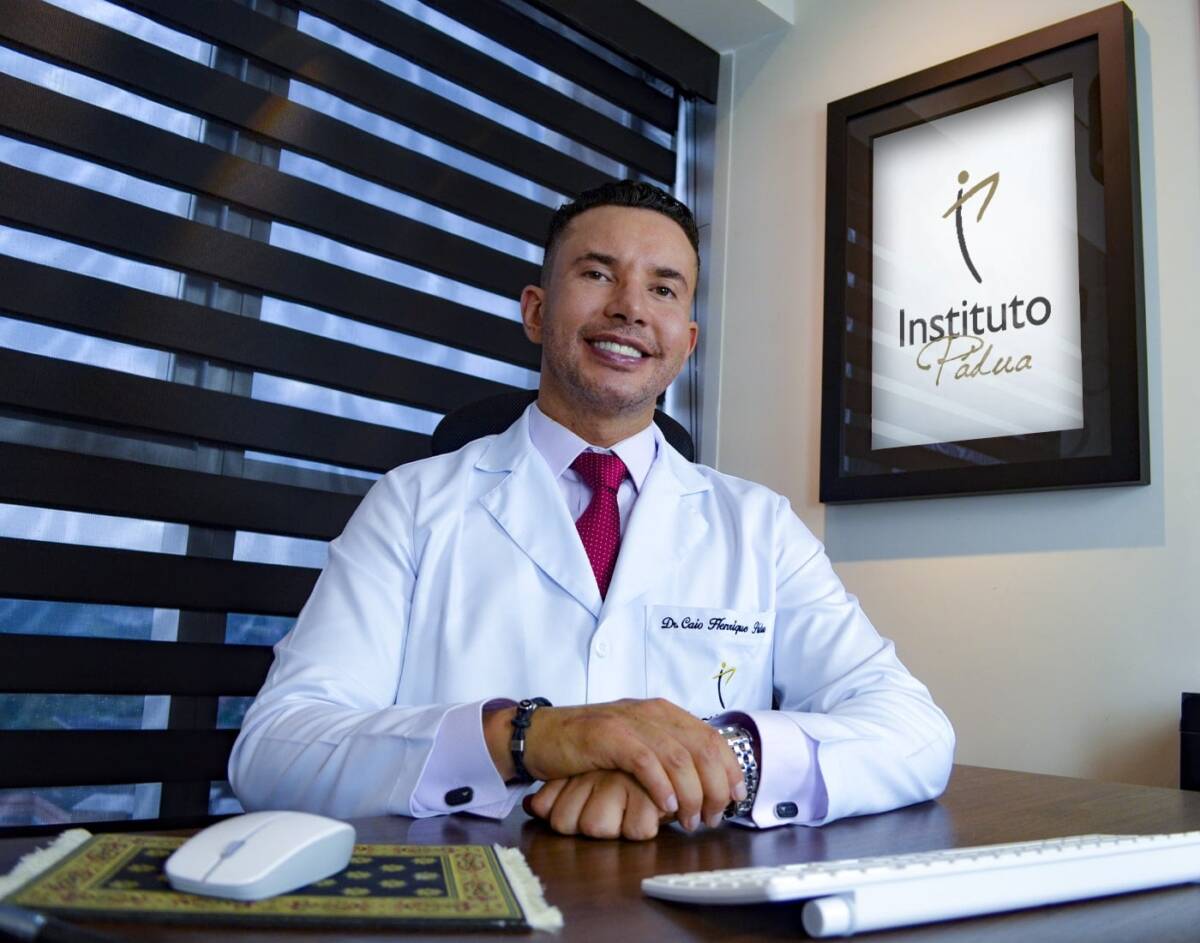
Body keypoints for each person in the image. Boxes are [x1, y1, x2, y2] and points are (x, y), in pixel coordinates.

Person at [230, 180, 954, 841]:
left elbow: (915, 731)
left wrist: (711, 758)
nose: (630, 307)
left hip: (695, 905)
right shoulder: (411, 504)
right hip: (475, 897)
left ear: (686, 344)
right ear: (536, 311)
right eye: (598, 274)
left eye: (663, 288)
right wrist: (531, 738)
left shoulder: (759, 526)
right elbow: (275, 750)